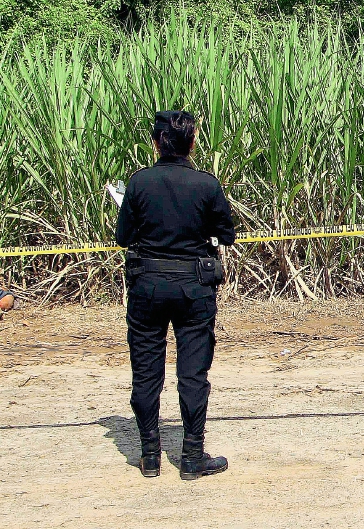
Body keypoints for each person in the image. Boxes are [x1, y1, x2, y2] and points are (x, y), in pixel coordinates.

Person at [116, 110, 236, 478]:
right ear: (192, 143)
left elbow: (123, 237)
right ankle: (191, 457)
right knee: (193, 373)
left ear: (156, 143)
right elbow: (226, 234)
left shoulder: (139, 183)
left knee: (146, 370)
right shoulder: (206, 184)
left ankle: (149, 455)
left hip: (147, 286)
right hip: (193, 288)